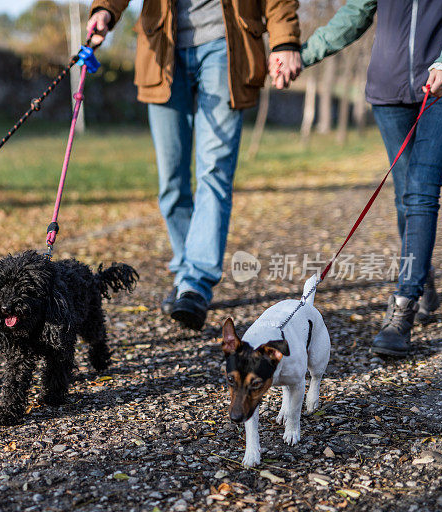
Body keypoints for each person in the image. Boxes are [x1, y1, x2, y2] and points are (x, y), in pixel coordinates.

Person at [86, 0, 302, 331]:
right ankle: (187, 270)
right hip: (162, 46)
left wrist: (284, 40)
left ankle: (195, 282)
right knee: (171, 182)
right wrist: (105, 9)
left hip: (228, 44)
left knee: (214, 170)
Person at [298, 0, 442, 357]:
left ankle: (403, 306)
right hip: (389, 91)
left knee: (421, 192)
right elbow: (354, 14)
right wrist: (302, 55)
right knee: (405, 194)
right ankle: (421, 271)